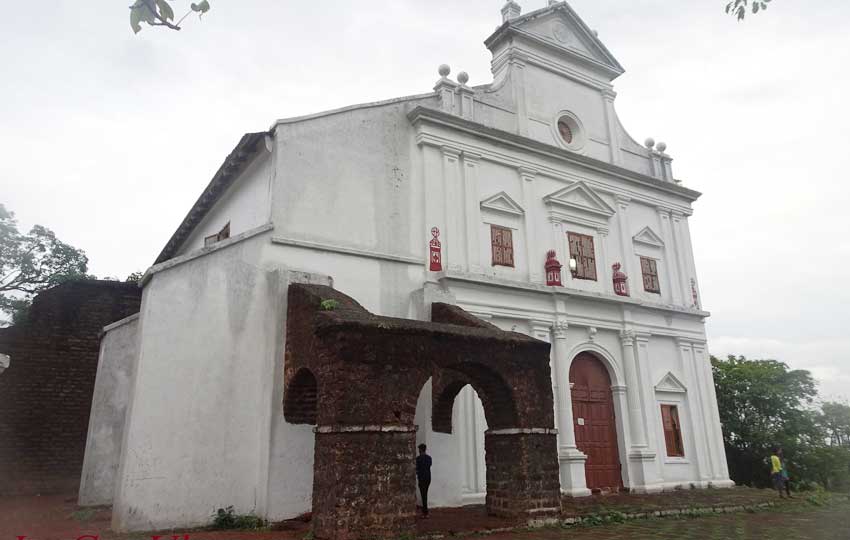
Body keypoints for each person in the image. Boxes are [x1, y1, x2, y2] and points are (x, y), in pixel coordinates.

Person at [416, 443, 432, 518]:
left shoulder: (418, 459)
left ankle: (425, 513)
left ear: (420, 450)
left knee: (423, 495)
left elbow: (417, 468)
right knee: (425, 495)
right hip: (428, 478)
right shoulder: (429, 458)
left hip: (422, 478)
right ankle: (425, 512)